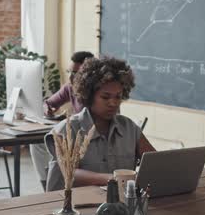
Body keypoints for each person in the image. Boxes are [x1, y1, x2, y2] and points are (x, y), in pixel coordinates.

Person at [45, 56, 156, 191]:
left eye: (118, 96)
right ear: (89, 95)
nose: (113, 103)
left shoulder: (129, 128)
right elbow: (67, 172)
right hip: (75, 206)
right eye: (105, 97)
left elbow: (155, 164)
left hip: (119, 205)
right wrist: (113, 179)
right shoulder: (67, 129)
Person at [30, 51, 94, 190]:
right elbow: (48, 103)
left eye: (76, 73)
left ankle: (56, 184)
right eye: (70, 71)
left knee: (58, 149)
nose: (71, 76)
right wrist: (48, 108)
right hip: (73, 132)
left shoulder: (96, 93)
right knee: (36, 143)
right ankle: (45, 183)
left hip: (89, 137)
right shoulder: (69, 88)